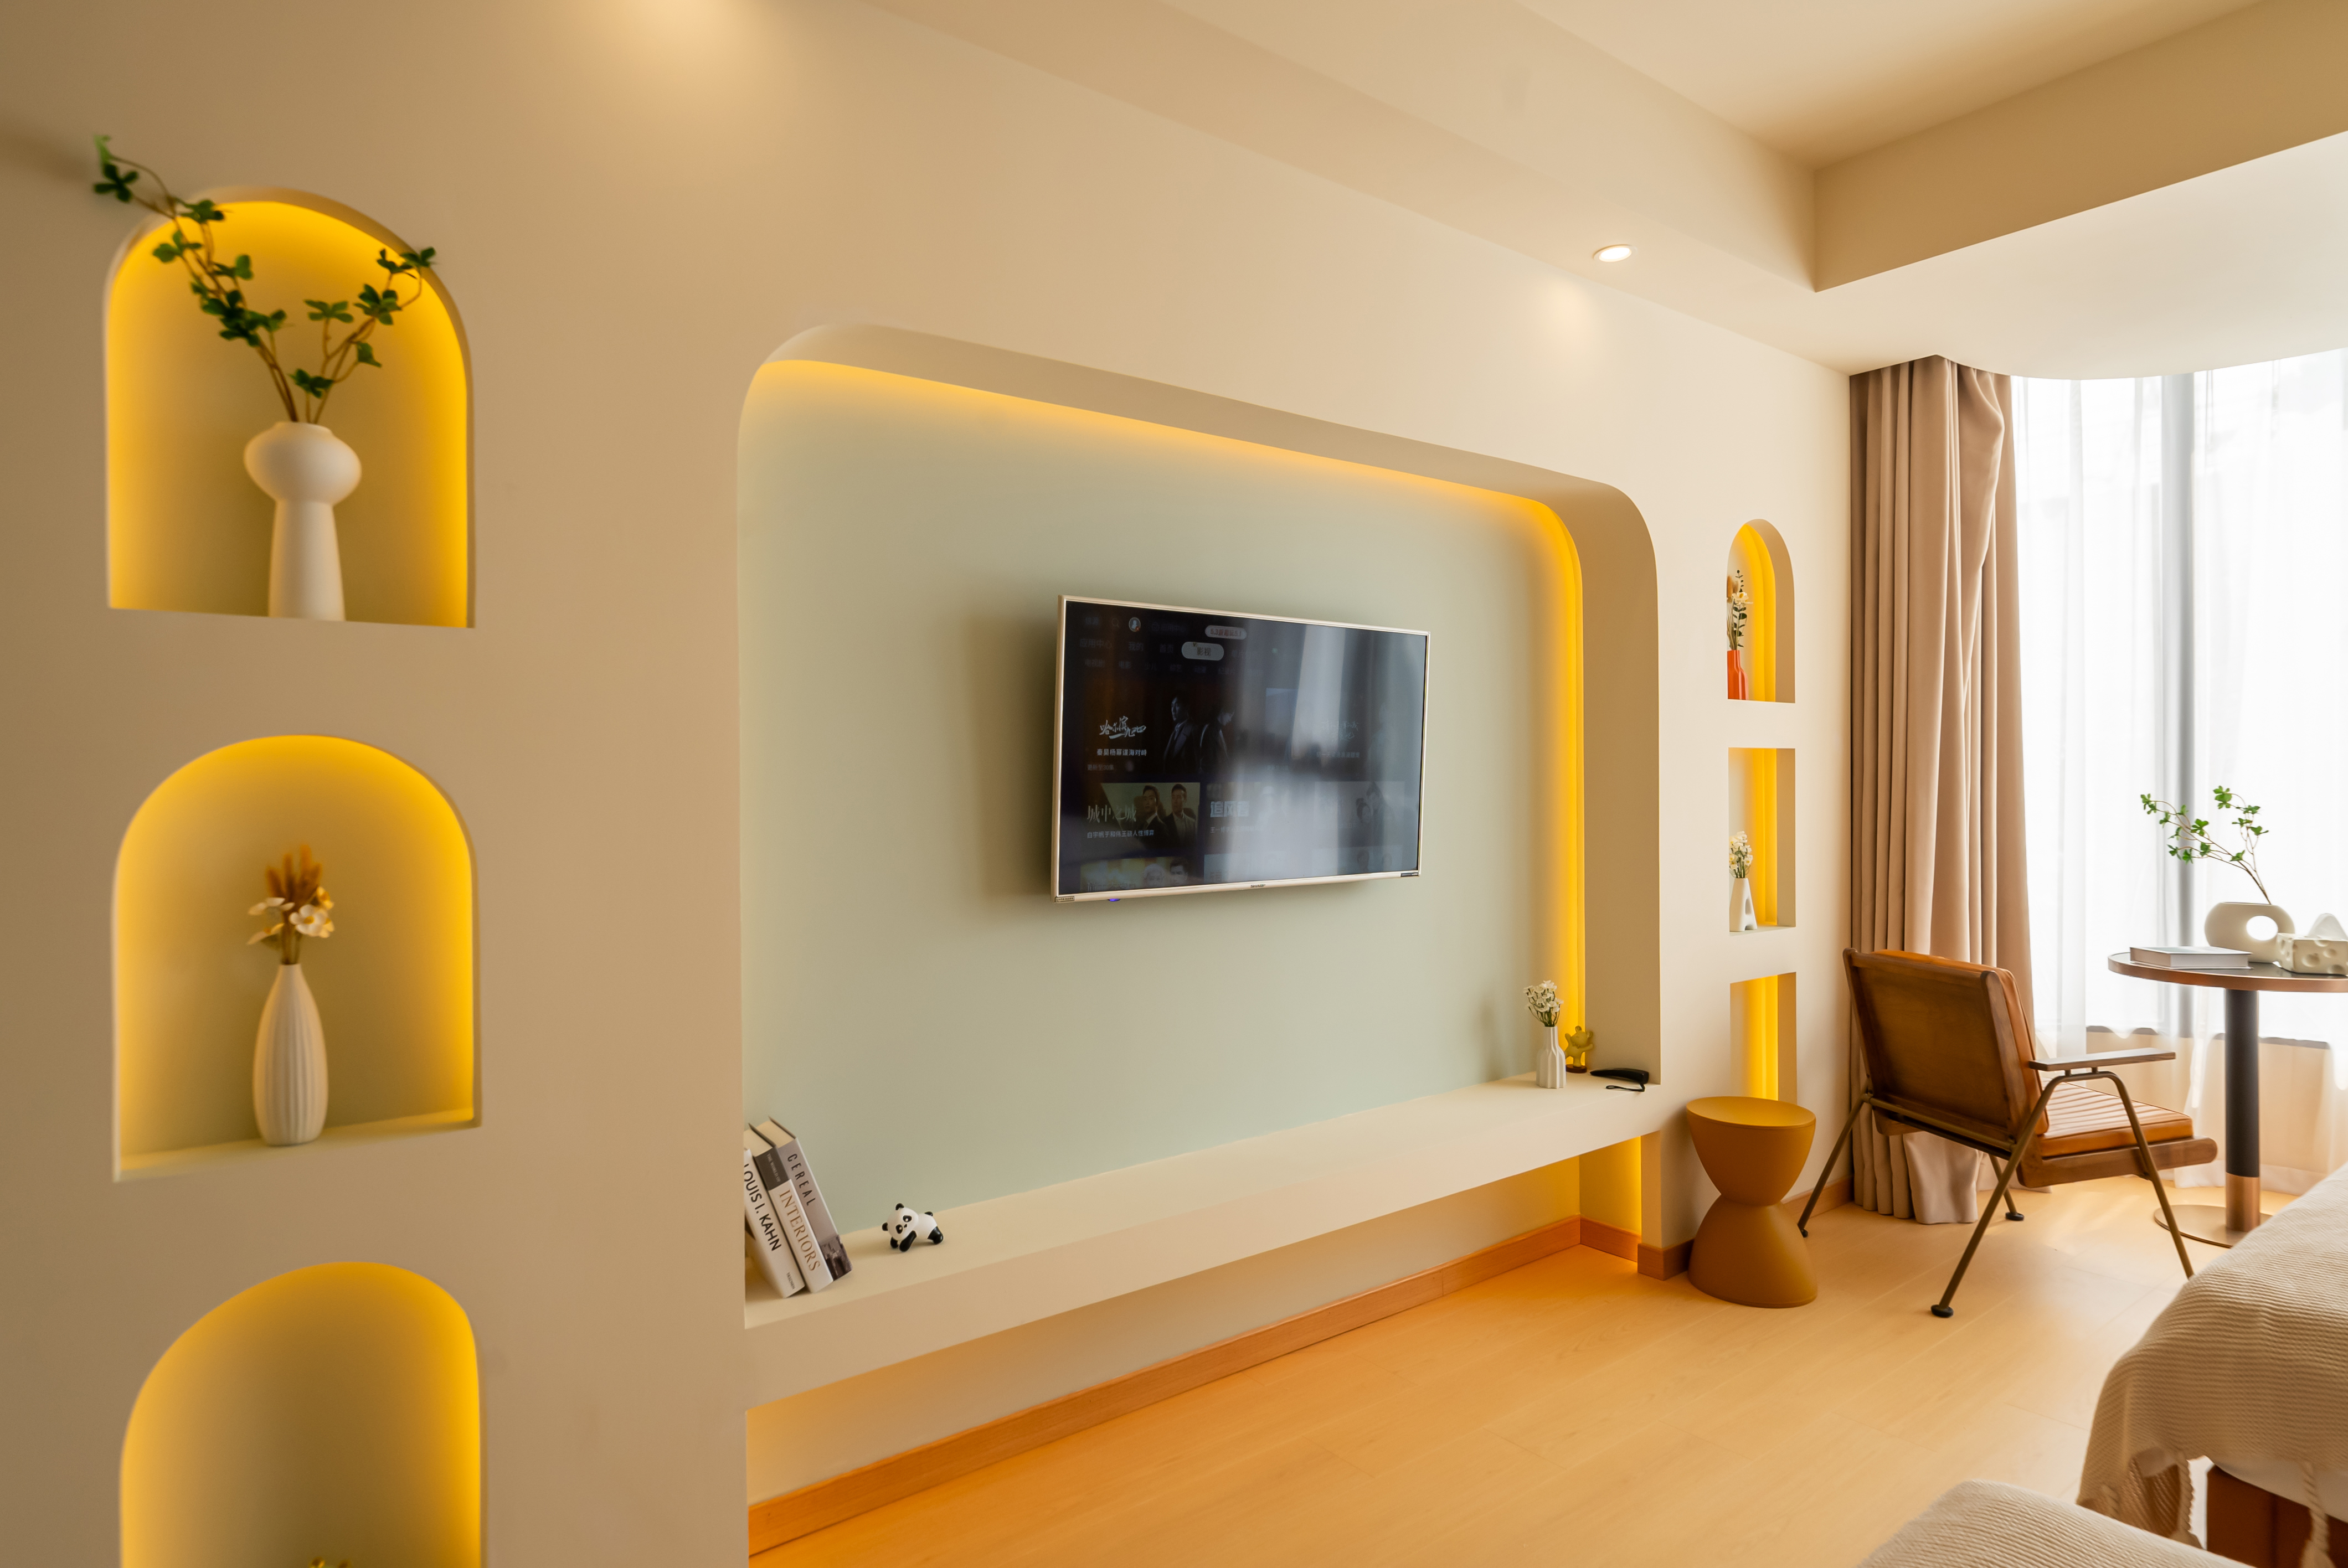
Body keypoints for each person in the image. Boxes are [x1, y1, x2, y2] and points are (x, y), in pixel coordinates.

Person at [1159, 695, 1203, 775]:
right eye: (1172, 706)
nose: (1173, 710)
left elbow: (1198, 765)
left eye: (1177, 705)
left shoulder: (1194, 730)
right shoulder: (1174, 732)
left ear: (1187, 708)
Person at [1168, 784, 1198, 852]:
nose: (1175, 801)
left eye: (1179, 797)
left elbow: (1195, 847)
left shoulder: (1192, 823)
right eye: (1173, 797)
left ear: (1185, 800)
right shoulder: (1164, 823)